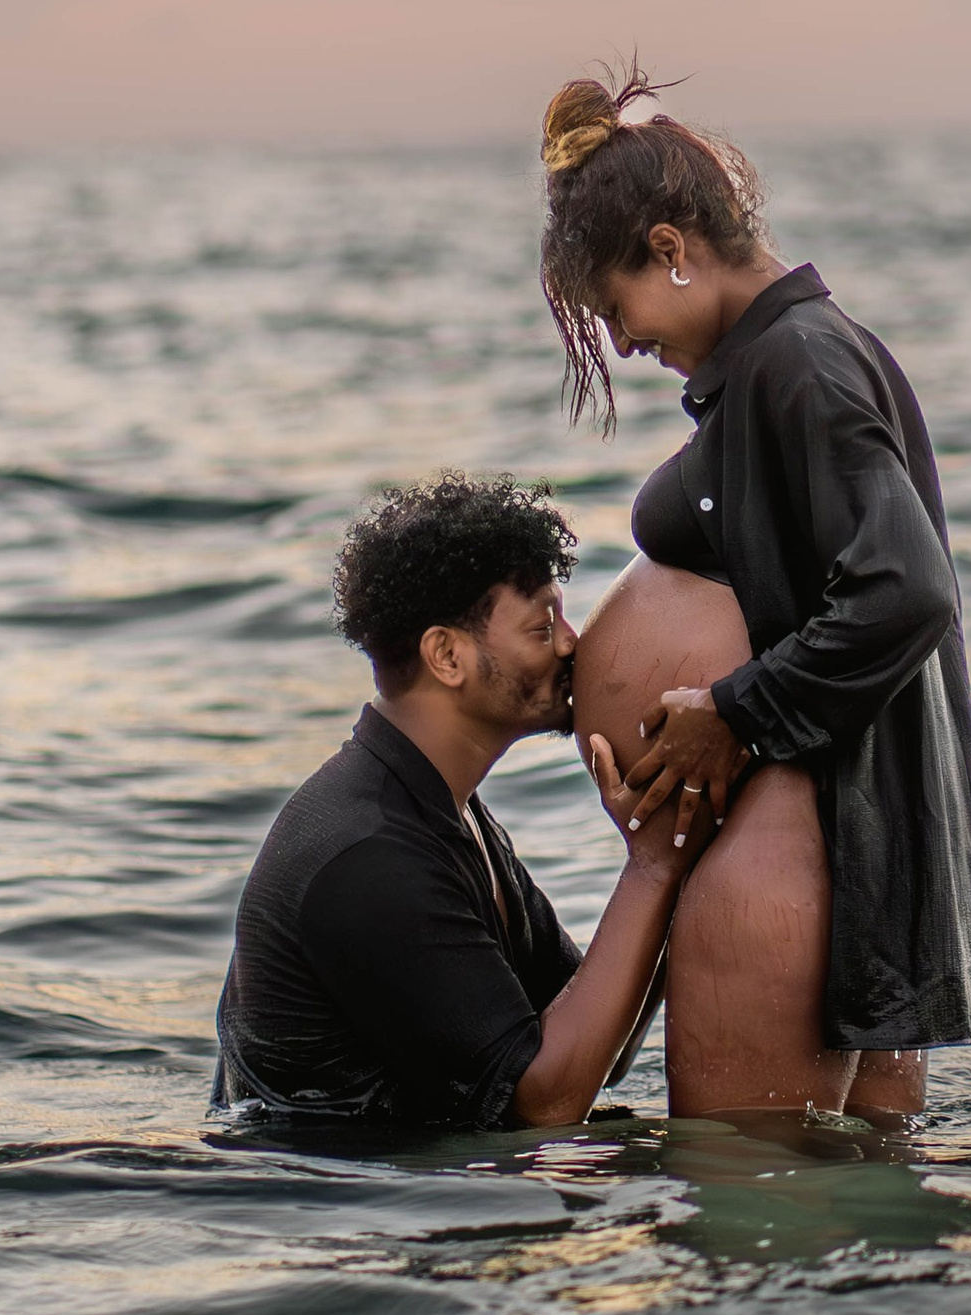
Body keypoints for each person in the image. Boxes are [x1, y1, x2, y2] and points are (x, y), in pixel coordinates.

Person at [543, 69, 971, 1118]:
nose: (620, 344)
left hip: (808, 841)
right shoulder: (780, 363)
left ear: (670, 249)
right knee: (846, 1214)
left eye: (615, 308)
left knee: (749, 1214)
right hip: (809, 840)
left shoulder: (803, 366)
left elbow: (904, 590)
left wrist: (735, 716)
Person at [211, 473, 706, 1129]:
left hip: (412, 1186)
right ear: (446, 654)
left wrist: (681, 842)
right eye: (541, 625)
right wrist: (652, 863)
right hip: (333, 1202)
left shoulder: (447, 812)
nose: (569, 642)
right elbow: (545, 1099)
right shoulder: (371, 855)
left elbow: (591, 1050)